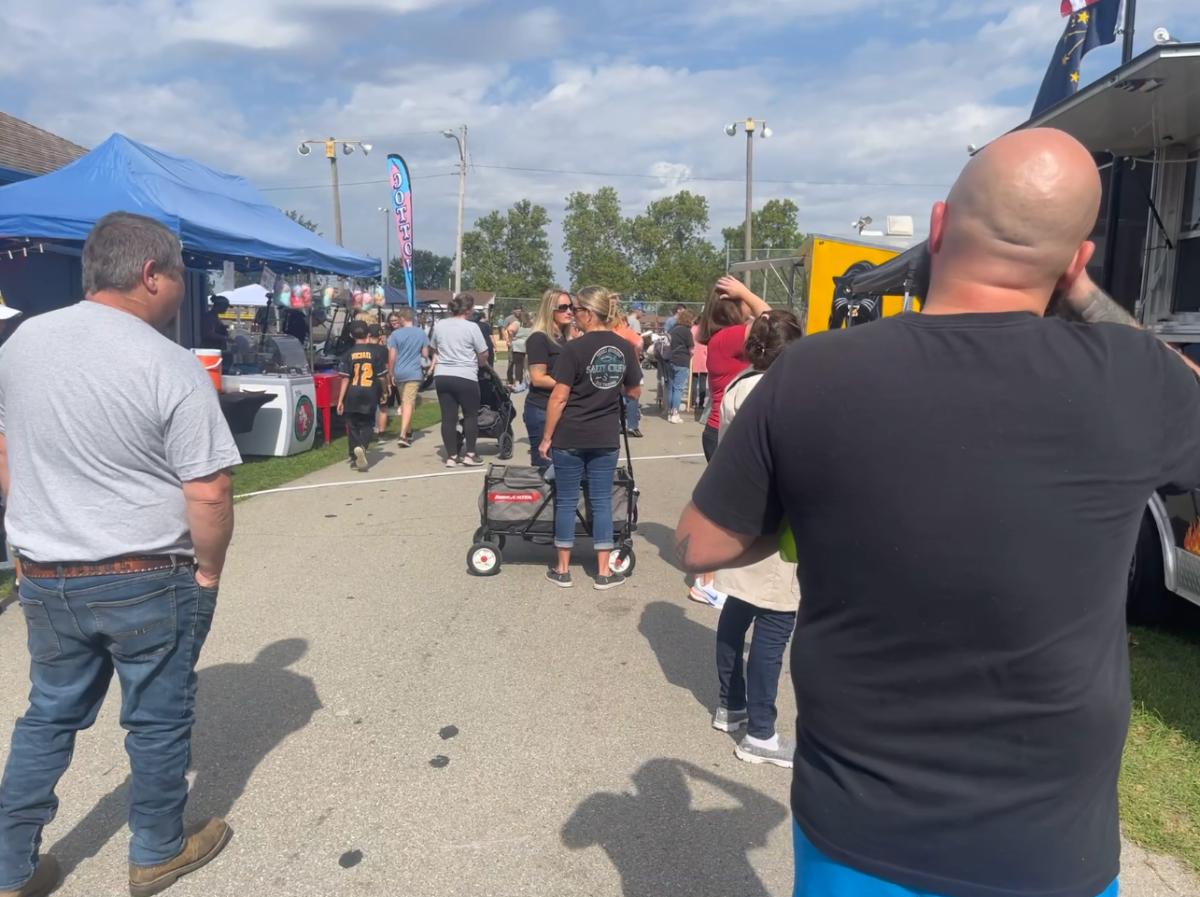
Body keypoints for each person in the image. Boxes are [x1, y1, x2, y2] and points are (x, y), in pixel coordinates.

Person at [674, 128, 1200, 897]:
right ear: (1075, 260)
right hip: (1053, 849)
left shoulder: (814, 372)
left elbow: (697, 544)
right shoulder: (1137, 378)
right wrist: (1081, 289)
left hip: (861, 832)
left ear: (938, 225)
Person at [0, 212, 240, 897]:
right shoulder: (168, 361)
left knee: (47, 715)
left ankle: (9, 864)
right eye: (177, 279)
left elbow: (6, 447)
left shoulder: (20, 344)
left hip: (46, 570)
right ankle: (157, 848)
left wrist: (34, 526)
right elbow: (210, 489)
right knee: (158, 718)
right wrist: (210, 567)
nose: (179, 294)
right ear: (149, 274)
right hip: (144, 571)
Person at [710, 310, 804, 770]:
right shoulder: (781, 393)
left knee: (739, 605)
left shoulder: (738, 384)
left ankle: (731, 704)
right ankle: (761, 733)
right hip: (773, 523)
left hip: (737, 514)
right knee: (776, 618)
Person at [539, 286, 641, 591]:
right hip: (605, 434)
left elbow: (558, 397)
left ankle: (562, 569)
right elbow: (634, 391)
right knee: (601, 503)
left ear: (589, 313)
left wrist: (546, 438)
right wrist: (612, 389)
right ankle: (603, 572)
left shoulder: (574, 349)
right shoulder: (622, 346)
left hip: (570, 434)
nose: (572, 314)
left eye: (576, 309)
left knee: (567, 501)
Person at [431, 294, 489, 468]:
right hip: (465, 374)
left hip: (442, 375)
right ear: (469, 310)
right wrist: (480, 364)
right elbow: (484, 352)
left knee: (448, 417)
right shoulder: (472, 327)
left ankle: (451, 456)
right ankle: (470, 454)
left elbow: (434, 347)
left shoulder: (440, 325)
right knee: (471, 415)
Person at [524, 289, 574, 469]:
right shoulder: (539, 339)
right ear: (549, 309)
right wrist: (572, 386)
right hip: (541, 409)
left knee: (563, 466)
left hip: (561, 408)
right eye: (563, 307)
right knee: (545, 467)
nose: (569, 311)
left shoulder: (567, 338)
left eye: (571, 306)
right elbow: (538, 378)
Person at [337, 320, 389, 473]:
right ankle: (361, 446)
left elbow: (345, 378)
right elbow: (381, 376)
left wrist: (340, 399)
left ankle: (354, 457)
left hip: (352, 392)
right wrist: (384, 391)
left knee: (353, 425)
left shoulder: (348, 354)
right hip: (370, 392)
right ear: (367, 334)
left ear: (352, 335)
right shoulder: (376, 353)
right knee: (367, 423)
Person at [386, 307, 430, 448]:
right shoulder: (421, 333)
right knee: (408, 402)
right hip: (414, 372)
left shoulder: (395, 335)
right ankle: (403, 435)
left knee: (405, 402)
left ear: (402, 319)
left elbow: (392, 356)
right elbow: (425, 353)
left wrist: (391, 373)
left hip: (399, 372)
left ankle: (408, 431)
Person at [611, 310, 644, 438]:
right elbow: (639, 343)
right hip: (627, 366)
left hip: (612, 366)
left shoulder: (609, 332)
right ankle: (632, 425)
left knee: (615, 396)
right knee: (632, 396)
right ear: (623, 322)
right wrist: (635, 355)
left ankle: (617, 424)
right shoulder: (626, 332)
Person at [665, 309, 695, 424]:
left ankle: (669, 412)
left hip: (670, 359)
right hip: (682, 361)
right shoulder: (686, 332)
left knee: (671, 387)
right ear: (689, 320)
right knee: (678, 388)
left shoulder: (672, 329)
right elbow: (691, 349)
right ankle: (675, 413)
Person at [367, 323, 389, 435]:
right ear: (380, 337)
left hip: (365, 380)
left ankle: (368, 429)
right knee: (382, 407)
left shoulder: (362, 348)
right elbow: (386, 366)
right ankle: (381, 432)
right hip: (379, 380)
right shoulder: (383, 350)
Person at [509, 312, 533, 394]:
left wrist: (512, 337)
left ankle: (517, 381)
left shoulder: (517, 323)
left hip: (518, 346)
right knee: (528, 366)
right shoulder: (531, 324)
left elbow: (510, 330)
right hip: (528, 345)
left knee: (518, 365)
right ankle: (527, 381)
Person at [691, 319, 708, 419]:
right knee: (702, 381)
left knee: (694, 381)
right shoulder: (705, 330)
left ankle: (692, 401)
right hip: (704, 357)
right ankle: (701, 403)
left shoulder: (692, 329)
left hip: (693, 357)